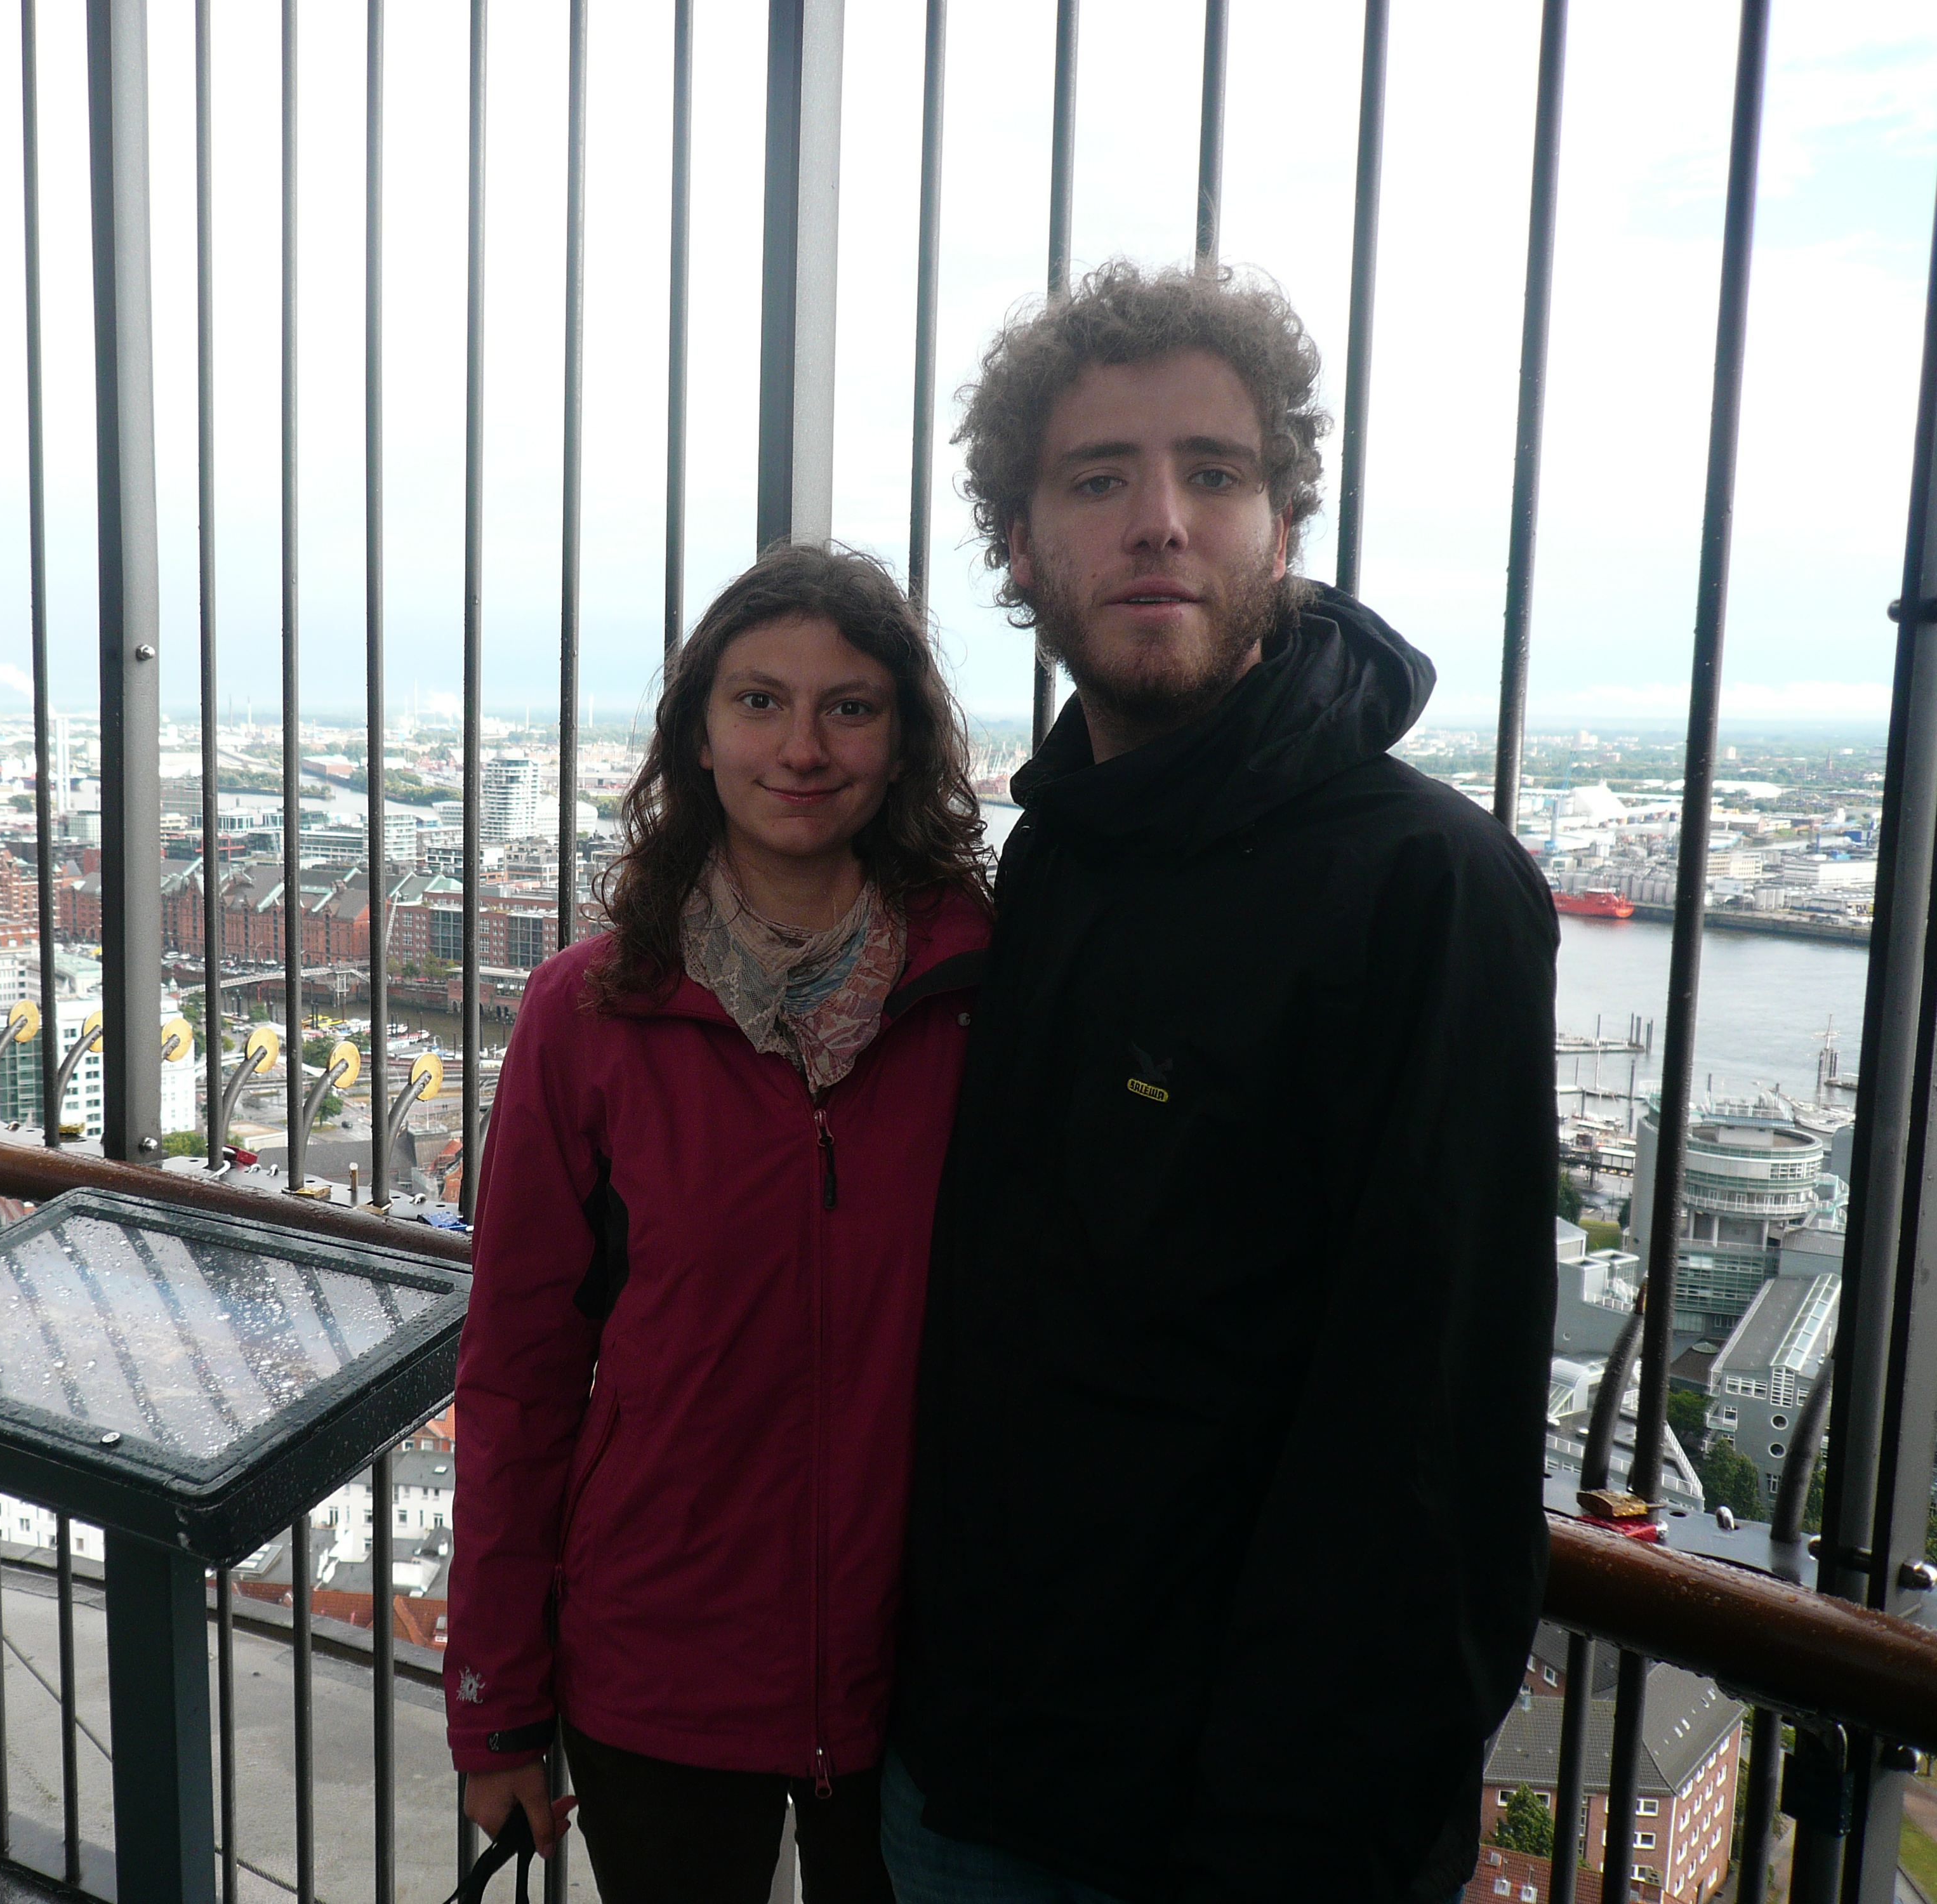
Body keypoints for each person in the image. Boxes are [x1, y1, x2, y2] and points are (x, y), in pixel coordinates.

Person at [883, 260, 1557, 1904]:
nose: (1159, 522)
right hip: (963, 1768)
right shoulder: (1055, 858)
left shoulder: (1425, 894)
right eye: (1096, 480)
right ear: (1018, 544)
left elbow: (1427, 1457)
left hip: (1213, 1843)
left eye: (1214, 471)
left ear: (1282, 528)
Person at [445, 544, 994, 1904]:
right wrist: (495, 1706)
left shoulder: (987, 994)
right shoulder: (588, 1014)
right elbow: (519, 1375)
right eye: (758, 702)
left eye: (849, 707)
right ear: (696, 735)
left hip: (930, 1665)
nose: (801, 748)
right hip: (662, 1655)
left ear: (902, 743)